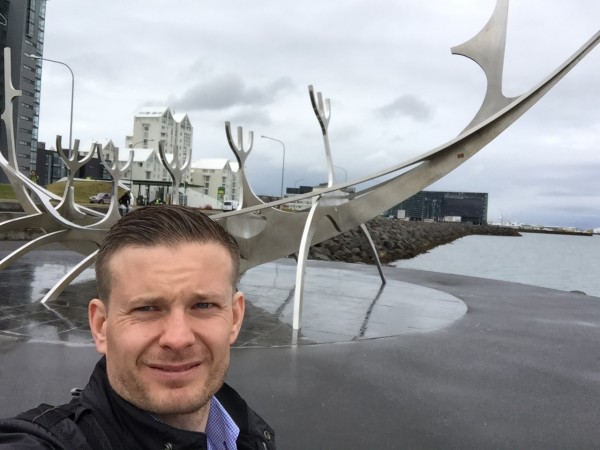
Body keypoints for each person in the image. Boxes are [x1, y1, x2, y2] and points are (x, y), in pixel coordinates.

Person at [0, 205, 276, 449]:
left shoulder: (248, 432)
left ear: (235, 318)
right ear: (100, 326)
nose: (178, 338)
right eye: (146, 308)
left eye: (203, 306)